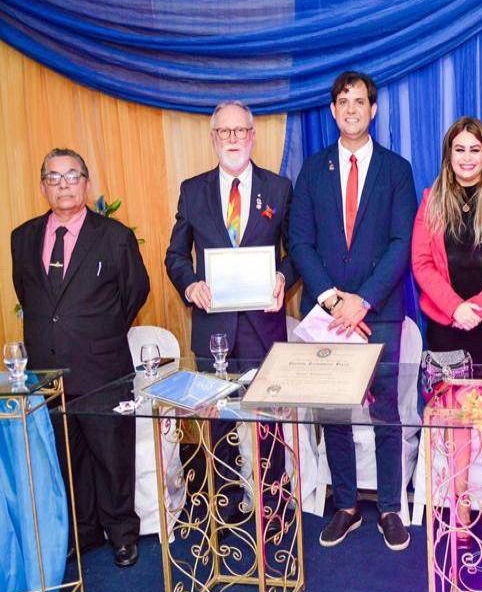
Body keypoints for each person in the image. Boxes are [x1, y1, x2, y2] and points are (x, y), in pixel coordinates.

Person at [289, 70, 417, 551]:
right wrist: (332, 298)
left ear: (373, 109)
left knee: (385, 411)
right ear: (332, 110)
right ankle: (345, 505)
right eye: (342, 102)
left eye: (359, 101)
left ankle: (389, 507)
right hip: (326, 313)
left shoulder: (396, 170)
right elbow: (300, 242)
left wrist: (361, 300)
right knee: (333, 412)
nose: (351, 109)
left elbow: (402, 242)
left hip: (377, 312)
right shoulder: (313, 169)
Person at [12, 148, 150, 567]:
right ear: (43, 186)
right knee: (65, 458)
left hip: (102, 367)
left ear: (86, 183)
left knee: (112, 455)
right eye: (54, 177)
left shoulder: (114, 236)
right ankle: (82, 533)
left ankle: (122, 534)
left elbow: (135, 291)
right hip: (47, 372)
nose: (64, 185)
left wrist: (98, 331)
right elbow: (29, 295)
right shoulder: (23, 237)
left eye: (72, 176)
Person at [164, 100, 296, 530]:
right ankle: (224, 506)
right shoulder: (193, 190)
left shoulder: (279, 188)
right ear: (213, 138)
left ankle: (271, 506)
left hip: (262, 326)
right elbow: (175, 255)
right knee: (218, 421)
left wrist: (282, 277)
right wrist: (190, 285)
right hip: (214, 329)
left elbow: (296, 251)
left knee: (267, 423)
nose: (233, 138)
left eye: (240, 131)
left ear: (252, 136)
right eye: (224, 131)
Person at [412, 116, 482, 545]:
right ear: (449, 155)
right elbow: (421, 263)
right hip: (447, 327)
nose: (467, 157)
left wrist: (478, 307)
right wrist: (455, 307)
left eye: (474, 150)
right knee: (456, 419)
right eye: (459, 149)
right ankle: (459, 501)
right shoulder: (431, 200)